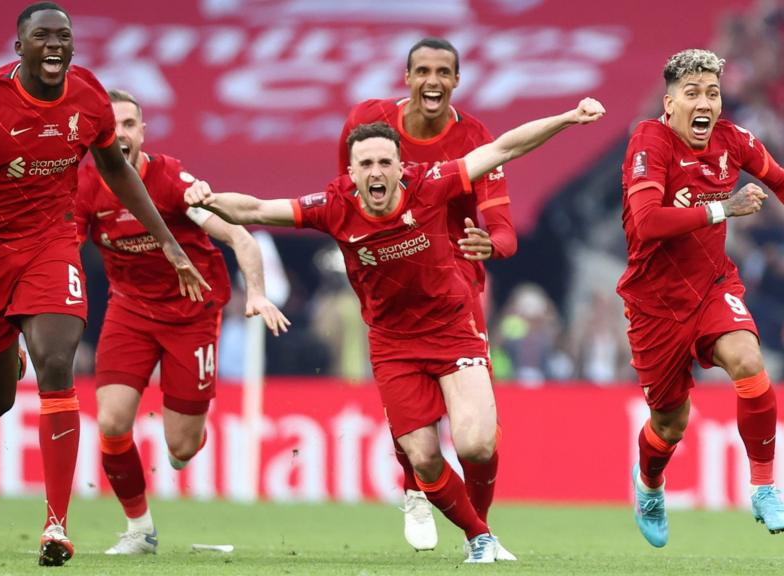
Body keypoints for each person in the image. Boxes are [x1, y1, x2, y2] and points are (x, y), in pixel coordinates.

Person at [186, 98, 606, 563]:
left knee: (477, 443)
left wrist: (567, 119)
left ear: (399, 165)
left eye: (385, 161)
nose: (376, 171)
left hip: (452, 327)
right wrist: (207, 198)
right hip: (394, 344)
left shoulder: (431, 183)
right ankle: (479, 538)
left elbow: (504, 148)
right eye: (365, 163)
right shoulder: (333, 206)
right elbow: (258, 210)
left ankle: (481, 535)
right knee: (424, 458)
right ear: (351, 171)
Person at [0, 3, 208, 567]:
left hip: (50, 244)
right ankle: (6, 350)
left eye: (63, 36)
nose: (55, 46)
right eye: (42, 37)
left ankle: (57, 525)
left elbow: (115, 169)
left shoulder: (88, 97)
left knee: (58, 363)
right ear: (20, 48)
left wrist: (167, 241)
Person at [75, 89, 290, 555]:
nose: (122, 133)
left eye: (130, 124)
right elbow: (60, 248)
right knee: (111, 423)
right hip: (129, 311)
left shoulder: (173, 180)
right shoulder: (87, 187)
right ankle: (139, 529)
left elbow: (239, 237)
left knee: (182, 446)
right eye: (113, 125)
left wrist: (256, 293)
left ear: (142, 131)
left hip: (191, 315)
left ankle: (188, 437)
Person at [338, 37, 517, 554]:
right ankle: (415, 488)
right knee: (415, 418)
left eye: (443, 71)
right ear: (407, 77)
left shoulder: (474, 137)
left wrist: (492, 245)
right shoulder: (369, 126)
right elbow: (344, 194)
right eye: (423, 71)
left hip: (455, 288)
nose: (432, 81)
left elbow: (503, 228)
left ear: (457, 81)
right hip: (390, 284)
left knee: (476, 438)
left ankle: (478, 533)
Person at [618, 48, 784, 548]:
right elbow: (648, 223)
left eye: (712, 92)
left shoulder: (732, 141)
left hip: (712, 287)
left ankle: (763, 485)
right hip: (654, 305)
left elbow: (778, 179)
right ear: (669, 103)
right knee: (669, 425)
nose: (704, 102)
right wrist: (723, 209)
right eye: (691, 93)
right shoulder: (650, 140)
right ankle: (648, 484)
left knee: (750, 363)